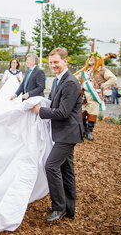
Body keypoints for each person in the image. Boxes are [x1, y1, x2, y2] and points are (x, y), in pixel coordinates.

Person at [32, 48, 84, 222]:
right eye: (51, 62)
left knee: (51, 166)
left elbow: (62, 112)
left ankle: (58, 208)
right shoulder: (57, 81)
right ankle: (69, 209)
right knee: (66, 170)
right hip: (62, 132)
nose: (53, 65)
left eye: (56, 62)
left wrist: (40, 111)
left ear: (65, 61)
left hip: (68, 133)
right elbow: (54, 103)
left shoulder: (69, 82)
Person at [75, 52, 117, 141]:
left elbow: (113, 78)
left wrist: (103, 86)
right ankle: (82, 130)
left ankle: (89, 131)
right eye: (90, 57)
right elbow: (76, 79)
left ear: (98, 60)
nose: (91, 59)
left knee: (92, 113)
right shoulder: (85, 70)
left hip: (94, 95)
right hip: (83, 95)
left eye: (94, 57)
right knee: (81, 113)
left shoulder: (102, 70)